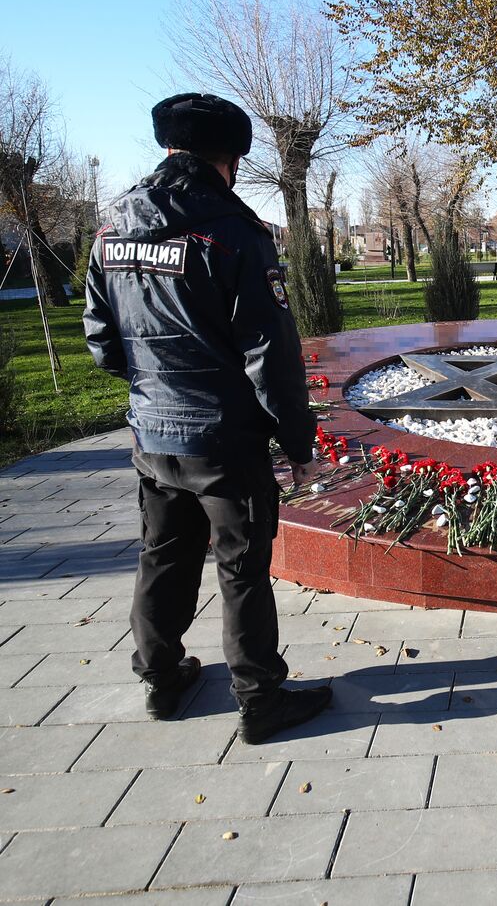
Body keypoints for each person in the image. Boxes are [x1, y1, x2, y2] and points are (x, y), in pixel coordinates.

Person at [84, 93, 334, 744]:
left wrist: (151, 392)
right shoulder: (233, 232)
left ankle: (163, 680)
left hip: (153, 435)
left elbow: (100, 338)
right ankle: (260, 702)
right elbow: (269, 351)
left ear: (168, 146)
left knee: (162, 556)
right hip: (224, 440)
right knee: (241, 569)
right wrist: (297, 439)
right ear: (231, 158)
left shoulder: (111, 225)